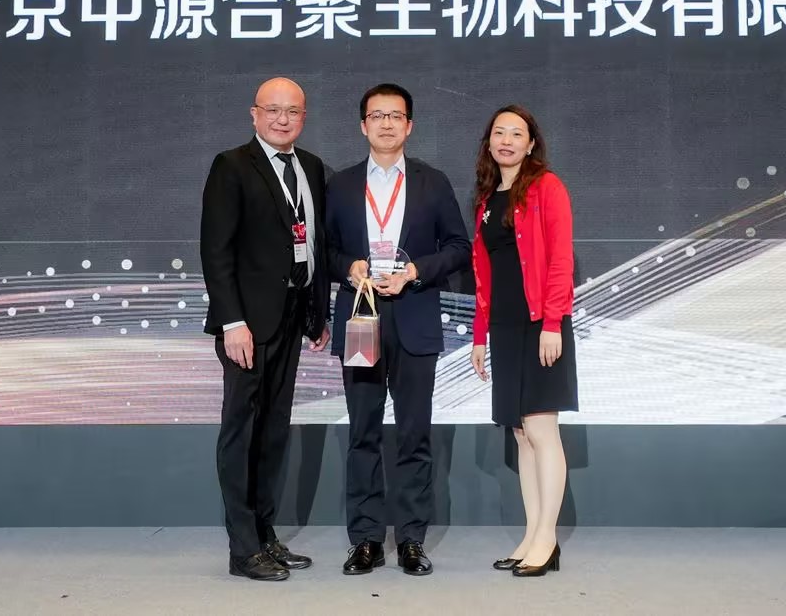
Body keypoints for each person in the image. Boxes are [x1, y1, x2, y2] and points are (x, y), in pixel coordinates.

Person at [325, 83, 471, 576]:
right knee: (362, 433)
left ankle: (411, 539)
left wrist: (415, 271)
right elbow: (325, 251)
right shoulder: (341, 185)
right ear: (362, 125)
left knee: (413, 435)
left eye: (395, 116)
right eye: (377, 115)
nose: (386, 123)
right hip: (361, 317)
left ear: (409, 125)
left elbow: (458, 247)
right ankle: (365, 539)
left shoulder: (433, 182)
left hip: (414, 316)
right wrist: (348, 267)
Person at [201, 77, 331, 581]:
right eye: (273, 109)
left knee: (274, 430)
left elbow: (313, 245)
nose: (282, 119)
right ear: (254, 114)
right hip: (247, 327)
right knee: (241, 432)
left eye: (292, 111)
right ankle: (242, 548)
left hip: (292, 317)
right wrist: (232, 321)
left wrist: (316, 313)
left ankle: (265, 534)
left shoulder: (311, 167)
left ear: (304, 117)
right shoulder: (232, 166)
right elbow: (216, 251)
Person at [467, 104, 578, 577]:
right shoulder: (487, 199)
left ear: (531, 143)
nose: (507, 141)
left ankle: (547, 539)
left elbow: (560, 260)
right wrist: (479, 335)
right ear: (489, 142)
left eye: (517, 133)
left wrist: (552, 322)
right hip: (505, 327)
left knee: (541, 429)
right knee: (520, 433)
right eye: (499, 133)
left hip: (540, 324)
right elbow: (484, 276)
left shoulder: (547, 187)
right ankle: (533, 535)